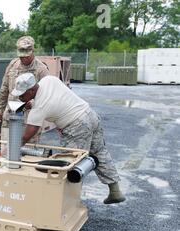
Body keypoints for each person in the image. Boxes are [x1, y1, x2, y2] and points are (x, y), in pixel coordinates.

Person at [13, 73, 126, 205]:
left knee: (72, 165)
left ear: (32, 89)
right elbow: (56, 98)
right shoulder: (49, 80)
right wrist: (31, 102)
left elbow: (26, 136)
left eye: (22, 94)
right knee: (99, 152)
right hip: (90, 115)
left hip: (76, 126)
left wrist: (9, 149)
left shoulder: (40, 107)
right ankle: (115, 191)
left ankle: (69, 203)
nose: (20, 98)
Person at [0, 36, 49, 134]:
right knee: (7, 146)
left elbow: (47, 95)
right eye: (21, 56)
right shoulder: (13, 65)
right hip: (10, 115)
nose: (24, 58)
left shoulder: (41, 69)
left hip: (29, 119)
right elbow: (4, 88)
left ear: (32, 52)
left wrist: (32, 103)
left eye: (26, 55)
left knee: (27, 148)